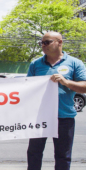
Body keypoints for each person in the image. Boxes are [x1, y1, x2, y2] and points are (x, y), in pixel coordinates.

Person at [26, 32, 86, 170]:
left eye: (47, 42)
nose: (43, 45)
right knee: (34, 154)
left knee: (63, 156)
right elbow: (27, 87)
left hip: (64, 117)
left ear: (59, 42)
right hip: (39, 118)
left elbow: (84, 87)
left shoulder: (75, 63)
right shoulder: (35, 64)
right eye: (42, 43)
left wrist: (66, 82)